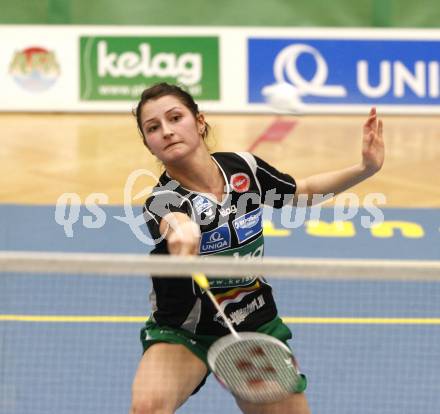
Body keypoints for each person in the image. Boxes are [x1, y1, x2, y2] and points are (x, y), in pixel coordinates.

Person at [130, 82, 384, 414]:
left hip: (250, 323)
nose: (166, 131)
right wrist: (183, 232)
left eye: (175, 118)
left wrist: (365, 168)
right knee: (147, 407)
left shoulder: (243, 169)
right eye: (153, 128)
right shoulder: (161, 200)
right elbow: (174, 223)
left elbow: (301, 191)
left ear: (200, 121)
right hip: (185, 331)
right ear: (150, 146)